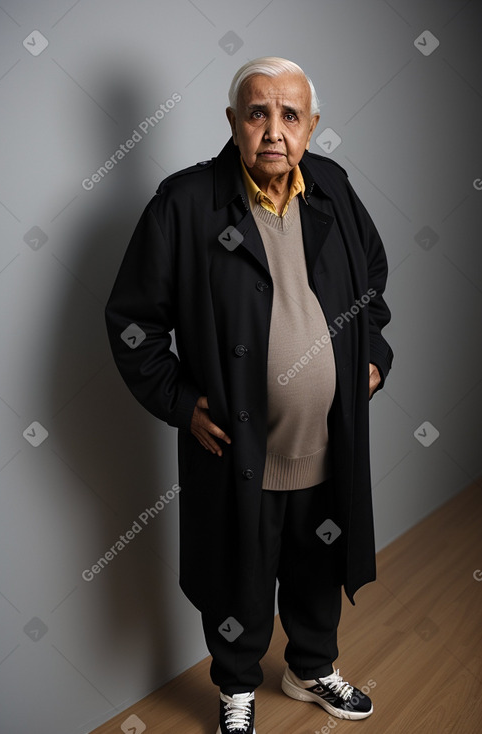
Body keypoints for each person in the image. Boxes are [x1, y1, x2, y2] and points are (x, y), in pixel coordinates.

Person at [105, 56, 393, 734]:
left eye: (289, 115)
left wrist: (372, 354)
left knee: (318, 562)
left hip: (328, 437)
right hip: (238, 447)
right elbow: (132, 325)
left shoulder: (332, 187)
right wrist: (180, 404)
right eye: (257, 112)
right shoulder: (184, 203)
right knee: (238, 573)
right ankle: (236, 686)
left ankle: (311, 666)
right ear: (233, 122)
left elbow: (371, 282)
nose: (273, 129)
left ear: (311, 126)